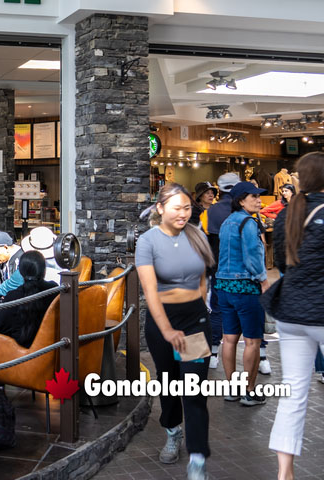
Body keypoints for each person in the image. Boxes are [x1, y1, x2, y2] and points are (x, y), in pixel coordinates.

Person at [268, 152, 324, 480]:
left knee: (293, 391)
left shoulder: (288, 215)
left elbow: (284, 265)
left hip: (291, 313)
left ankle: (285, 473)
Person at [136, 183, 214, 480]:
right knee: (169, 382)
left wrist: (202, 308)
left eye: (187, 208)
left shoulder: (197, 236)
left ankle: (197, 457)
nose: (183, 213)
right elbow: (150, 290)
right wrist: (167, 329)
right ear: (160, 209)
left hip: (194, 322)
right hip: (161, 322)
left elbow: (204, 276)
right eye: (177, 208)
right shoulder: (148, 241)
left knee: (193, 389)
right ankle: (172, 431)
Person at [215, 181, 269, 406]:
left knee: (228, 339)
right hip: (245, 287)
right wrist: (264, 281)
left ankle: (231, 389)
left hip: (223, 287)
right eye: (253, 196)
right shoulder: (248, 222)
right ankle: (249, 392)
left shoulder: (228, 221)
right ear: (240, 200)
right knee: (252, 342)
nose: (258, 200)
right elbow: (252, 257)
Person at [0, 251, 59, 348]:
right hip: (48, 348)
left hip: (17, 352)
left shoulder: (13, 296)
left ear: (20, 271)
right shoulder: (54, 289)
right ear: (44, 270)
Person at [205, 172, 238, 370]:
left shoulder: (212, 211)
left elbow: (206, 241)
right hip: (241, 269)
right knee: (248, 312)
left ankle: (214, 351)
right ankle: (261, 356)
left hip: (217, 266)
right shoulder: (243, 209)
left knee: (216, 309)